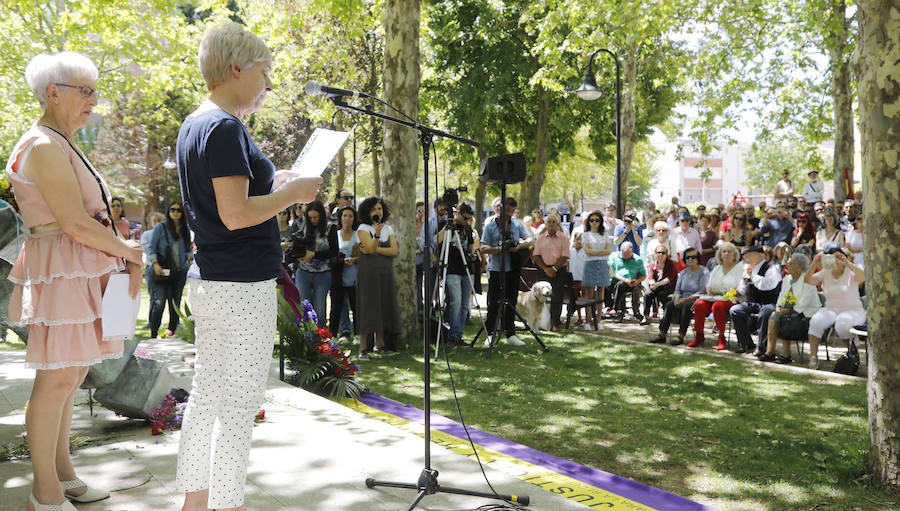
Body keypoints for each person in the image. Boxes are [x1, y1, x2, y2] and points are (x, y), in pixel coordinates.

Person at [173, 23, 322, 511]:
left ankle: (196, 503)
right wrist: (290, 195)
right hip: (241, 284)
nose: (269, 84)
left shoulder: (196, 123)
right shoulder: (224, 127)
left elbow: (223, 205)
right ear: (235, 69)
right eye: (264, 71)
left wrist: (274, 184)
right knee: (238, 405)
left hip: (212, 279)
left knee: (206, 396)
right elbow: (236, 215)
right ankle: (230, 503)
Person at [6, 51, 143, 511]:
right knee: (57, 379)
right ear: (53, 92)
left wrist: (120, 255)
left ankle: (63, 477)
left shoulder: (58, 141)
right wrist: (129, 252)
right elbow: (74, 222)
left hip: (76, 268)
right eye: (85, 91)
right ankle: (43, 494)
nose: (94, 101)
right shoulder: (42, 145)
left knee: (73, 373)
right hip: (63, 269)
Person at [804, 243, 866, 369]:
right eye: (833, 257)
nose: (836, 260)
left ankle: (853, 352)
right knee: (816, 321)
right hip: (831, 309)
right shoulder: (825, 272)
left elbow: (863, 277)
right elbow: (808, 280)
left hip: (853, 310)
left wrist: (847, 263)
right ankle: (813, 357)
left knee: (842, 324)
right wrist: (815, 264)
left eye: (838, 257)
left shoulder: (851, 271)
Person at [480, 196, 531, 346]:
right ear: (500, 208)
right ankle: (490, 333)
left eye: (511, 210)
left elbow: (530, 239)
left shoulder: (517, 224)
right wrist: (498, 249)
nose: (508, 213)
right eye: (506, 210)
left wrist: (518, 246)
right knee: (493, 302)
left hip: (513, 269)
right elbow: (483, 247)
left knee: (511, 301)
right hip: (496, 269)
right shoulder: (490, 226)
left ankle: (510, 334)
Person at [356, 196, 401, 358]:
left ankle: (379, 345)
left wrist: (375, 249)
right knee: (368, 306)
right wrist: (375, 236)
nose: (377, 211)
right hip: (369, 273)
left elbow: (394, 251)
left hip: (385, 273)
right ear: (367, 211)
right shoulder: (362, 228)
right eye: (374, 209)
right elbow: (369, 246)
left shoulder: (388, 229)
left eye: (380, 208)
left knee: (383, 305)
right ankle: (362, 348)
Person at [758, 253, 821, 364]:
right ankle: (770, 352)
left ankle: (786, 354)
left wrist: (787, 310)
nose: (787, 266)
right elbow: (781, 297)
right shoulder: (786, 279)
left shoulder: (808, 280)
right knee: (774, 316)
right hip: (789, 312)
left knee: (785, 318)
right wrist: (779, 308)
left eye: (791, 264)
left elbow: (803, 303)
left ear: (800, 267)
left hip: (806, 316)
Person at [147, 201, 192, 339]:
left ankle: (170, 332)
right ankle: (154, 334)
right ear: (168, 212)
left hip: (179, 273)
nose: (175, 212)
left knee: (175, 304)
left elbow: (188, 249)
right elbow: (151, 248)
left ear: (182, 213)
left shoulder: (185, 229)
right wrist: (155, 264)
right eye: (172, 209)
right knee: (159, 302)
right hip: (162, 271)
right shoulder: (161, 227)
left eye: (178, 210)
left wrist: (189, 259)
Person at [729, 246, 782, 355]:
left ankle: (762, 347)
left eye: (749, 255)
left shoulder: (772, 268)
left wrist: (752, 277)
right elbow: (743, 290)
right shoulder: (748, 269)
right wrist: (735, 291)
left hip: (770, 302)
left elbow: (768, 285)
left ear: (760, 255)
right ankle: (746, 344)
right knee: (735, 310)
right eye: (745, 256)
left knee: (765, 312)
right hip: (753, 302)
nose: (746, 258)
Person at [689, 242, 743, 349]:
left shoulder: (739, 270)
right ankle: (699, 336)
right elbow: (709, 286)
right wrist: (709, 290)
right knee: (699, 304)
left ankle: (721, 337)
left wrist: (720, 291)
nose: (726, 254)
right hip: (713, 298)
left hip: (732, 299)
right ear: (720, 254)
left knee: (717, 306)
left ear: (734, 255)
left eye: (729, 251)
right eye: (724, 252)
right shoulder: (716, 269)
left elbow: (739, 290)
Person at [650, 248, 708, 345]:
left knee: (686, 306)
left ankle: (680, 336)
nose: (690, 259)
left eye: (693, 257)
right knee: (669, 305)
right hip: (681, 298)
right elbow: (677, 289)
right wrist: (677, 298)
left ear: (698, 258)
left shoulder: (704, 272)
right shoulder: (683, 273)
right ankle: (662, 334)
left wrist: (685, 299)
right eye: (688, 257)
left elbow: (703, 290)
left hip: (696, 299)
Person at [293, 200, 338, 326]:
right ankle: (304, 341)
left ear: (322, 216)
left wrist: (314, 255)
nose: (313, 220)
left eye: (316, 217)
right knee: (303, 309)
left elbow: (334, 252)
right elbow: (296, 247)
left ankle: (319, 341)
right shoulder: (302, 227)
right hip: (303, 272)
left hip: (323, 273)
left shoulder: (330, 228)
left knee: (320, 310)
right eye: (310, 217)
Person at [437, 203, 477, 345]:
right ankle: (452, 336)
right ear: (458, 213)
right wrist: (450, 224)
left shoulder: (467, 228)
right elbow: (437, 239)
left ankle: (458, 334)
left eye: (468, 219)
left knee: (465, 304)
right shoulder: (445, 224)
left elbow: (471, 247)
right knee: (456, 302)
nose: (466, 221)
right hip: (452, 269)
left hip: (466, 269)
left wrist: (473, 255)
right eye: (464, 218)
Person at [532, 214, 570, 331]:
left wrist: (554, 269)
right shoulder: (540, 238)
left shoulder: (564, 238)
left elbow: (565, 256)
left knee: (557, 296)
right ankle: (538, 322)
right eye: (549, 222)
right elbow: (536, 256)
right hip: (543, 270)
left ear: (558, 225)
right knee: (540, 296)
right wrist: (546, 269)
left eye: (554, 222)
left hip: (559, 270)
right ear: (546, 224)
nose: (551, 224)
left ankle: (555, 323)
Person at [329, 206, 359, 343]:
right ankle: (333, 335)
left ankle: (358, 335)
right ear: (340, 218)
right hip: (337, 276)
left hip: (354, 276)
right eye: (345, 215)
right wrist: (341, 260)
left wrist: (353, 260)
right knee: (336, 307)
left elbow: (362, 255)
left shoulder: (358, 234)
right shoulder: (335, 234)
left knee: (356, 306)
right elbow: (331, 255)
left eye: (350, 216)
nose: (347, 218)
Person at [579, 211, 612, 330]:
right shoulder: (585, 235)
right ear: (588, 222)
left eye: (597, 220)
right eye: (592, 220)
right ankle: (587, 321)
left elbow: (609, 251)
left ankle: (598, 320)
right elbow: (587, 251)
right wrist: (600, 252)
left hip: (602, 264)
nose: (594, 222)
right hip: (590, 265)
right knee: (589, 294)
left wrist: (594, 252)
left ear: (600, 222)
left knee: (600, 295)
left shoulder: (605, 235)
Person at [607, 241, 646, 322]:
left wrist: (637, 281)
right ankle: (614, 309)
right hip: (616, 281)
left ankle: (621, 310)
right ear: (620, 250)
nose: (626, 257)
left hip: (633, 282)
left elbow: (643, 275)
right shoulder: (613, 257)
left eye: (628, 255)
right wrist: (624, 280)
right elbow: (611, 273)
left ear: (632, 251)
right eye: (624, 255)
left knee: (624, 286)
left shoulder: (638, 260)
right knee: (616, 285)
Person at [641, 244, 678, 325]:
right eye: (658, 252)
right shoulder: (653, 264)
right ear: (655, 254)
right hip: (657, 287)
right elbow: (650, 277)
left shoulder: (671, 264)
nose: (660, 255)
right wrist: (652, 283)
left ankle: (666, 317)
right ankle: (646, 316)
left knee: (662, 294)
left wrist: (657, 284)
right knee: (647, 294)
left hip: (669, 287)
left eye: (663, 253)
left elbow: (669, 279)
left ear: (666, 255)